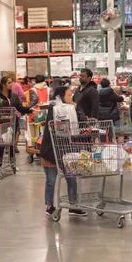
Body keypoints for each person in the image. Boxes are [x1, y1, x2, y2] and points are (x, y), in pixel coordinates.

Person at [39, 86, 87, 217]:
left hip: (66, 150)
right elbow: (55, 125)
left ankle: (73, 205)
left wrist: (76, 109)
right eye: (68, 95)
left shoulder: (72, 109)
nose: (71, 97)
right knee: (51, 180)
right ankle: (49, 206)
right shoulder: (53, 109)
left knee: (71, 178)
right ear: (60, 97)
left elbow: (81, 122)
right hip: (50, 151)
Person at [0, 76, 32, 166]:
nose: (11, 84)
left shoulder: (14, 96)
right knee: (1, 143)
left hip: (13, 121)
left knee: (12, 142)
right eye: (9, 83)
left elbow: (19, 107)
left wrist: (29, 109)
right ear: (3, 85)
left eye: (11, 82)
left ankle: (12, 163)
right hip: (1, 122)